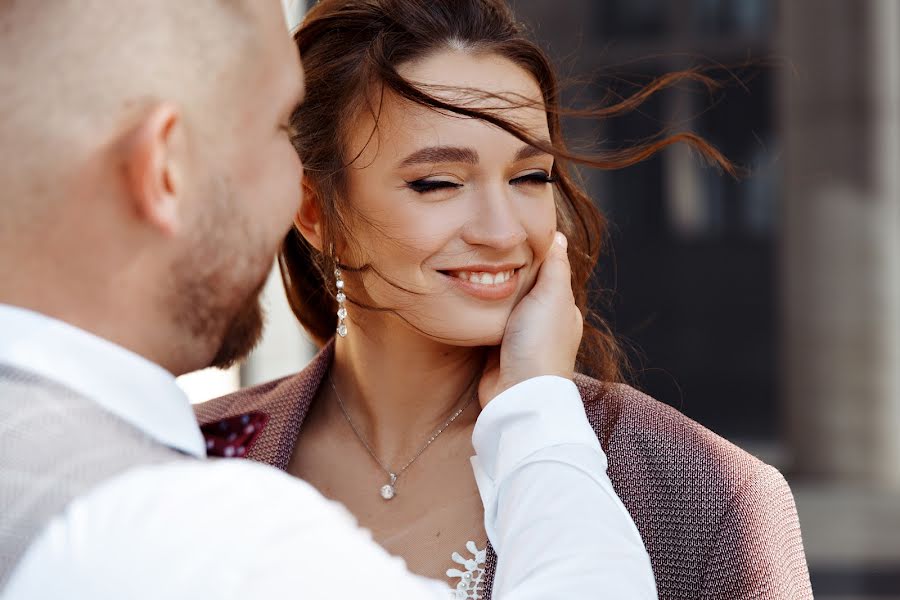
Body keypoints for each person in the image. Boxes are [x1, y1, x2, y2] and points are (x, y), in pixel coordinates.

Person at [0, 0, 657, 598]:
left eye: (533, 176)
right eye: (276, 130)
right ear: (165, 168)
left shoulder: (695, 479)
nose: (502, 231)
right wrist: (539, 411)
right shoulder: (182, 537)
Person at [194, 0, 815, 598]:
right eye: (437, 183)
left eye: (529, 177)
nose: (501, 231)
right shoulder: (198, 457)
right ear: (313, 210)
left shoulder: (703, 493)